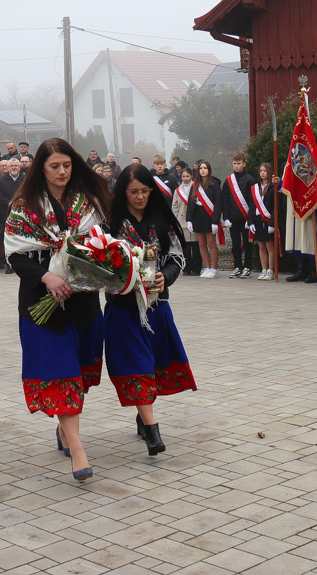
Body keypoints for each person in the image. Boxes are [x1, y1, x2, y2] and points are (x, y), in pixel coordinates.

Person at [4, 138, 111, 481]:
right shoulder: (24, 206)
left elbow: (102, 244)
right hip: (42, 306)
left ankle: (66, 431)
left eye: (66, 165)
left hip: (83, 303)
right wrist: (47, 277)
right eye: (54, 166)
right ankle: (78, 450)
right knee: (62, 372)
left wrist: (94, 269)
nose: (62, 172)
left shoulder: (87, 202)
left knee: (79, 372)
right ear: (41, 168)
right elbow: (17, 256)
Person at [104, 164, 196, 455]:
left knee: (152, 367)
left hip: (156, 306)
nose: (140, 197)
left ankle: (143, 419)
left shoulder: (160, 219)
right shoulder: (111, 222)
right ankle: (153, 432)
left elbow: (176, 258)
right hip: (123, 307)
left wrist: (164, 276)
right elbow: (100, 262)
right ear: (123, 192)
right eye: (133, 192)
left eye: (145, 191)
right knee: (138, 366)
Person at [220, 153, 257, 278]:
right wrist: (225, 217)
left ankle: (247, 267)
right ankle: (237, 267)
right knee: (235, 244)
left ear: (244, 164)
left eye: (239, 163)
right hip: (233, 218)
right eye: (234, 164)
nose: (236, 166)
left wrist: (250, 219)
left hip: (246, 218)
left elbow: (253, 201)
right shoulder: (228, 180)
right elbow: (224, 200)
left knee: (247, 244)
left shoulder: (250, 179)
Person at [186, 160, 221, 278]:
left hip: (210, 216)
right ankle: (207, 267)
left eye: (205, 168)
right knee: (201, 244)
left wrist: (215, 221)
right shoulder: (195, 185)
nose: (203, 170)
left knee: (211, 243)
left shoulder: (214, 185)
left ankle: (214, 268)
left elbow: (218, 204)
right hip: (198, 216)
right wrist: (189, 219)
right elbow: (190, 203)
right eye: (201, 168)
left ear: (209, 170)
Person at [0, 158, 25, 273]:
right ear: (8, 167)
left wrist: (19, 203)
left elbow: (29, 193)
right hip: (6, 214)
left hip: (22, 214)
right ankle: (10, 264)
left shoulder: (24, 179)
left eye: (16, 165)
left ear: (20, 167)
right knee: (8, 240)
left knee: (21, 239)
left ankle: (22, 264)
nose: (14, 168)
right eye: (12, 166)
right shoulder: (1, 180)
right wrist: (9, 203)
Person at [249, 163, 278, 280]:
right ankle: (264, 269)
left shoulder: (272, 187)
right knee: (261, 246)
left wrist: (272, 223)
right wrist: (250, 221)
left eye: (265, 171)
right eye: (261, 171)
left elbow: (275, 207)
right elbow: (251, 205)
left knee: (270, 246)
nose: (262, 173)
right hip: (257, 220)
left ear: (269, 172)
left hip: (268, 220)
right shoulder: (255, 188)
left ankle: (271, 270)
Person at [172, 168, 199, 275]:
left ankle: (197, 268)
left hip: (194, 221)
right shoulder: (177, 190)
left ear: (191, 176)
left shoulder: (196, 187)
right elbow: (174, 207)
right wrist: (175, 220)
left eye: (187, 176)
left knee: (196, 247)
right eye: (183, 176)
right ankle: (186, 268)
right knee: (185, 248)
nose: (185, 178)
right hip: (182, 222)